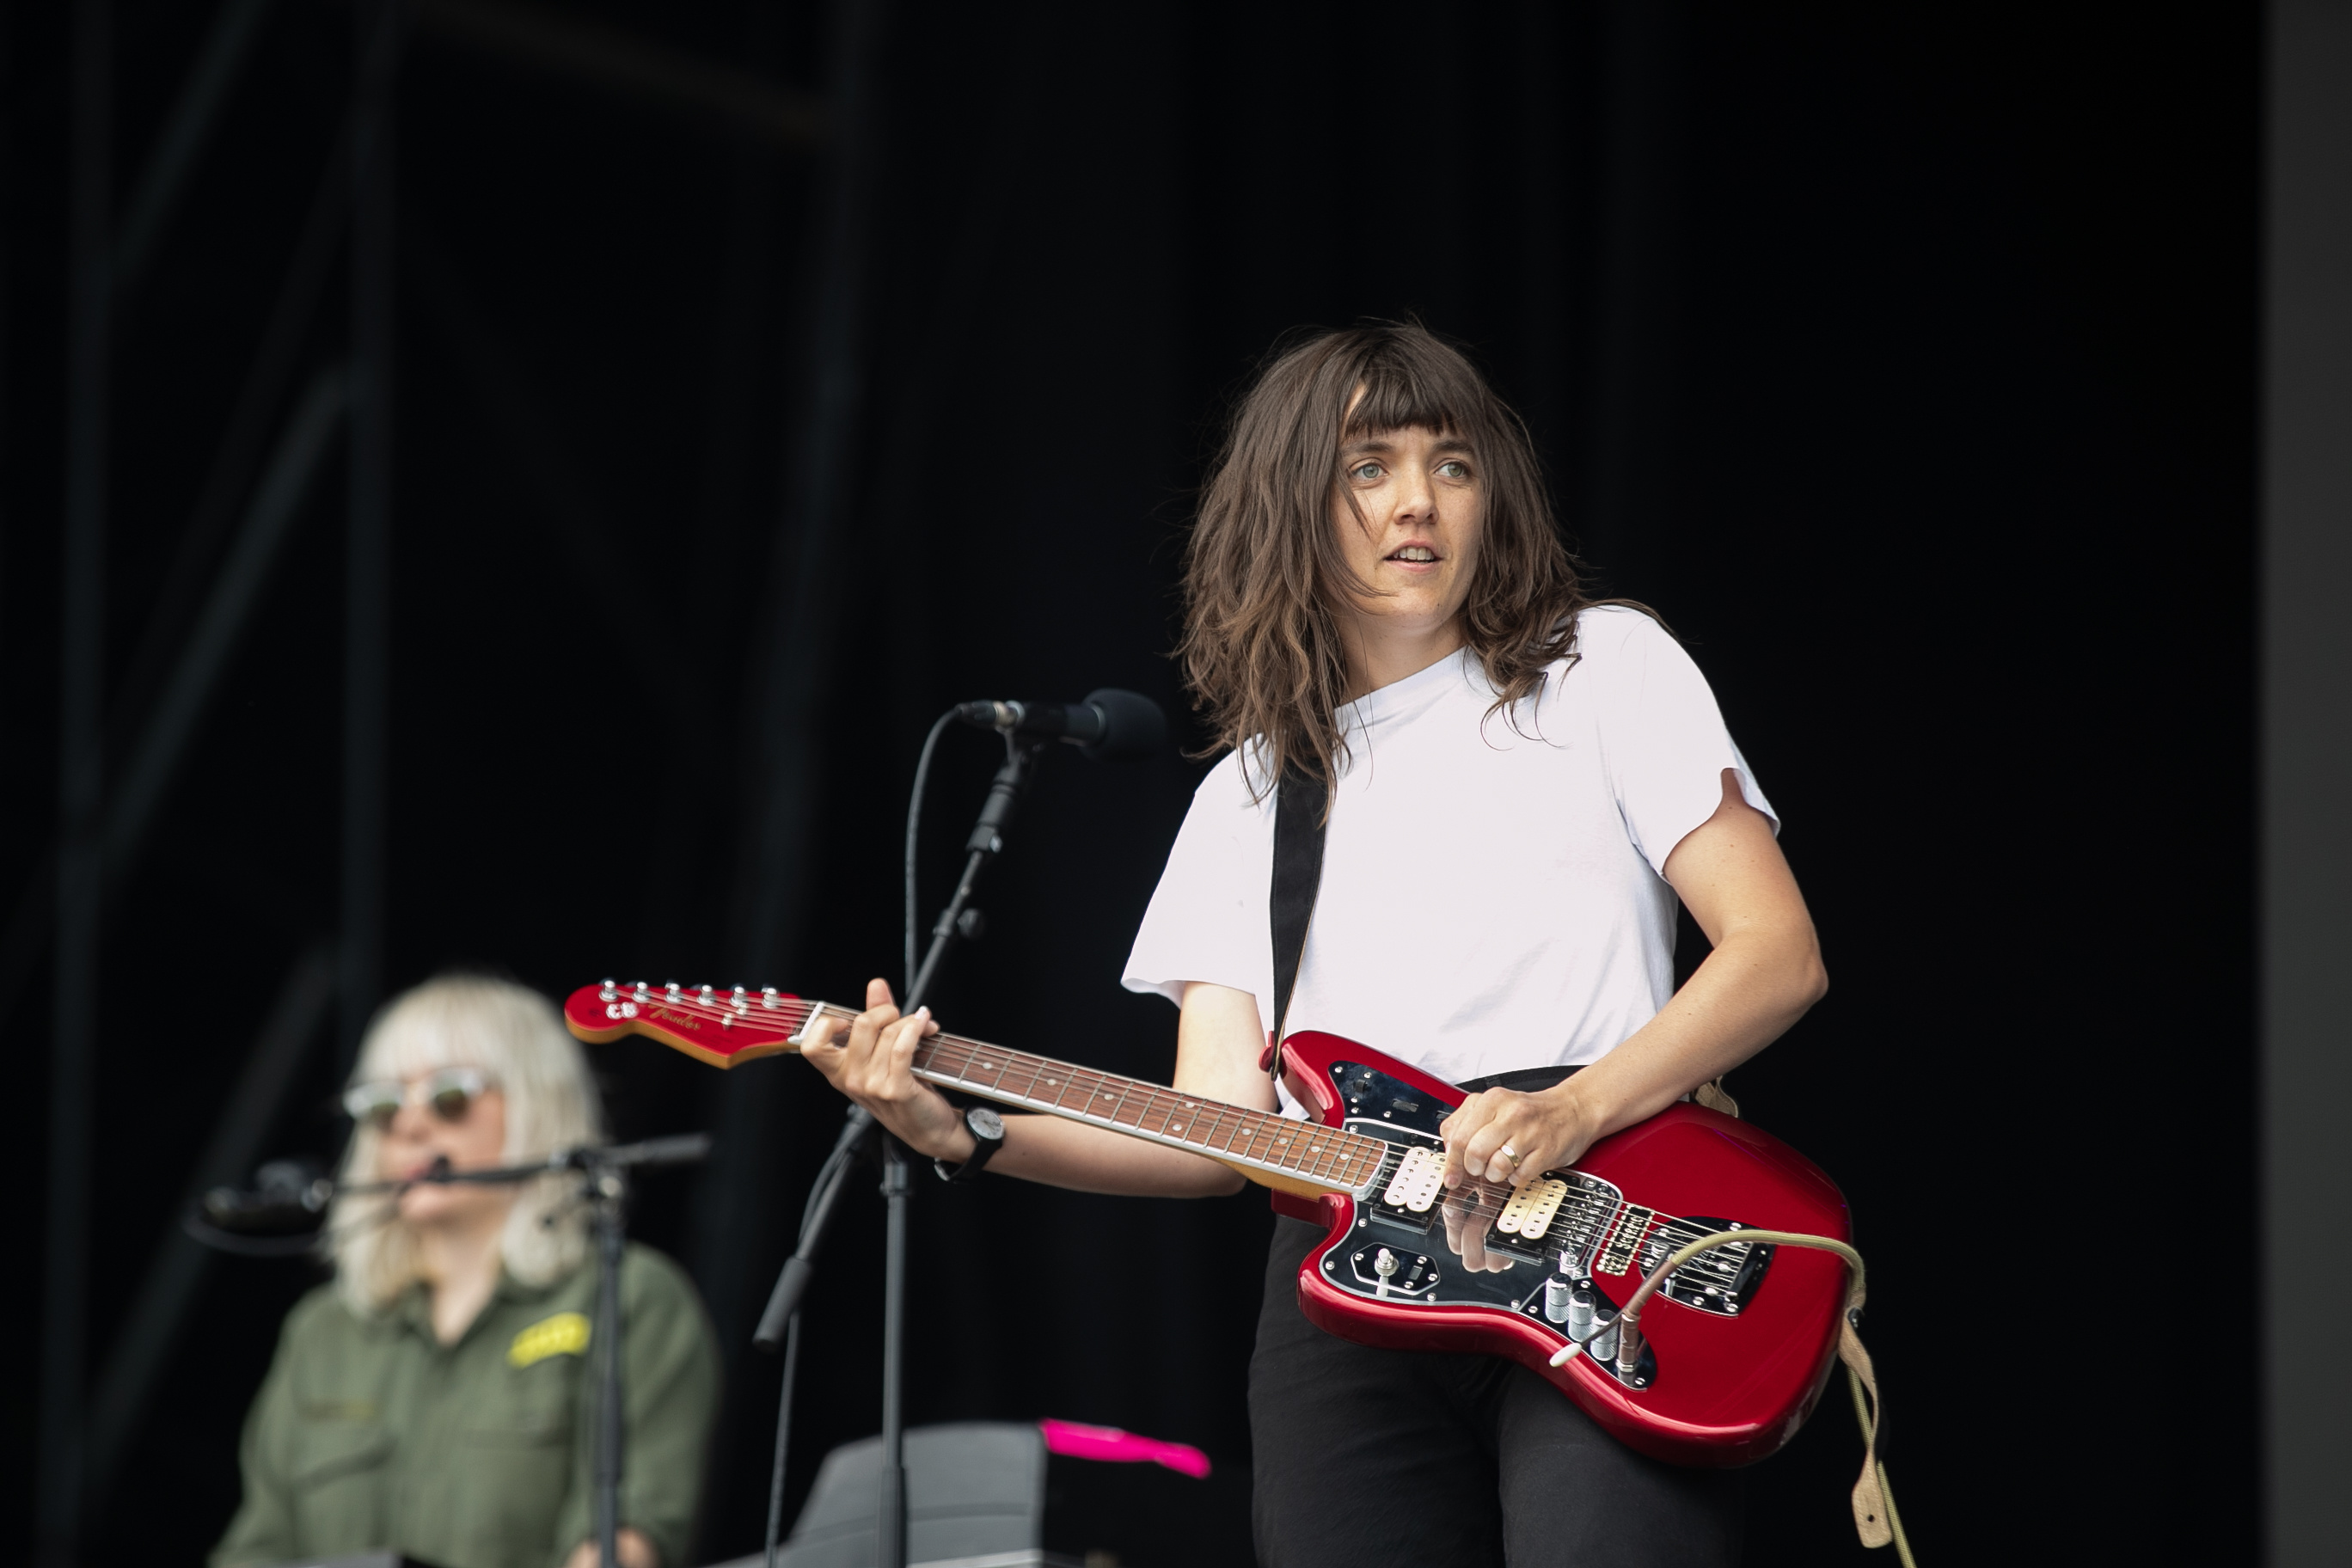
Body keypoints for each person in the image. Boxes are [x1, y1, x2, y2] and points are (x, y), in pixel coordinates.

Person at [801, 322, 1827, 1566]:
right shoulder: (1248, 795)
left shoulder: (1602, 666)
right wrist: (966, 1133)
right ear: (1291, 503)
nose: (1416, 502)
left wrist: (1574, 1108)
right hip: (1349, 1268)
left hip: (1601, 1188)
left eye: (1452, 465)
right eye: (1368, 466)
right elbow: (1206, 1129)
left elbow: (1775, 951)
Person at [213, 975, 720, 1568]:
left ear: (537, 1103)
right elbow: (257, 1550)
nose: (410, 1126)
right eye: (382, 1104)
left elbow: (625, 1541)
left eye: (449, 1096)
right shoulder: (322, 1331)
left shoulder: (630, 1295)